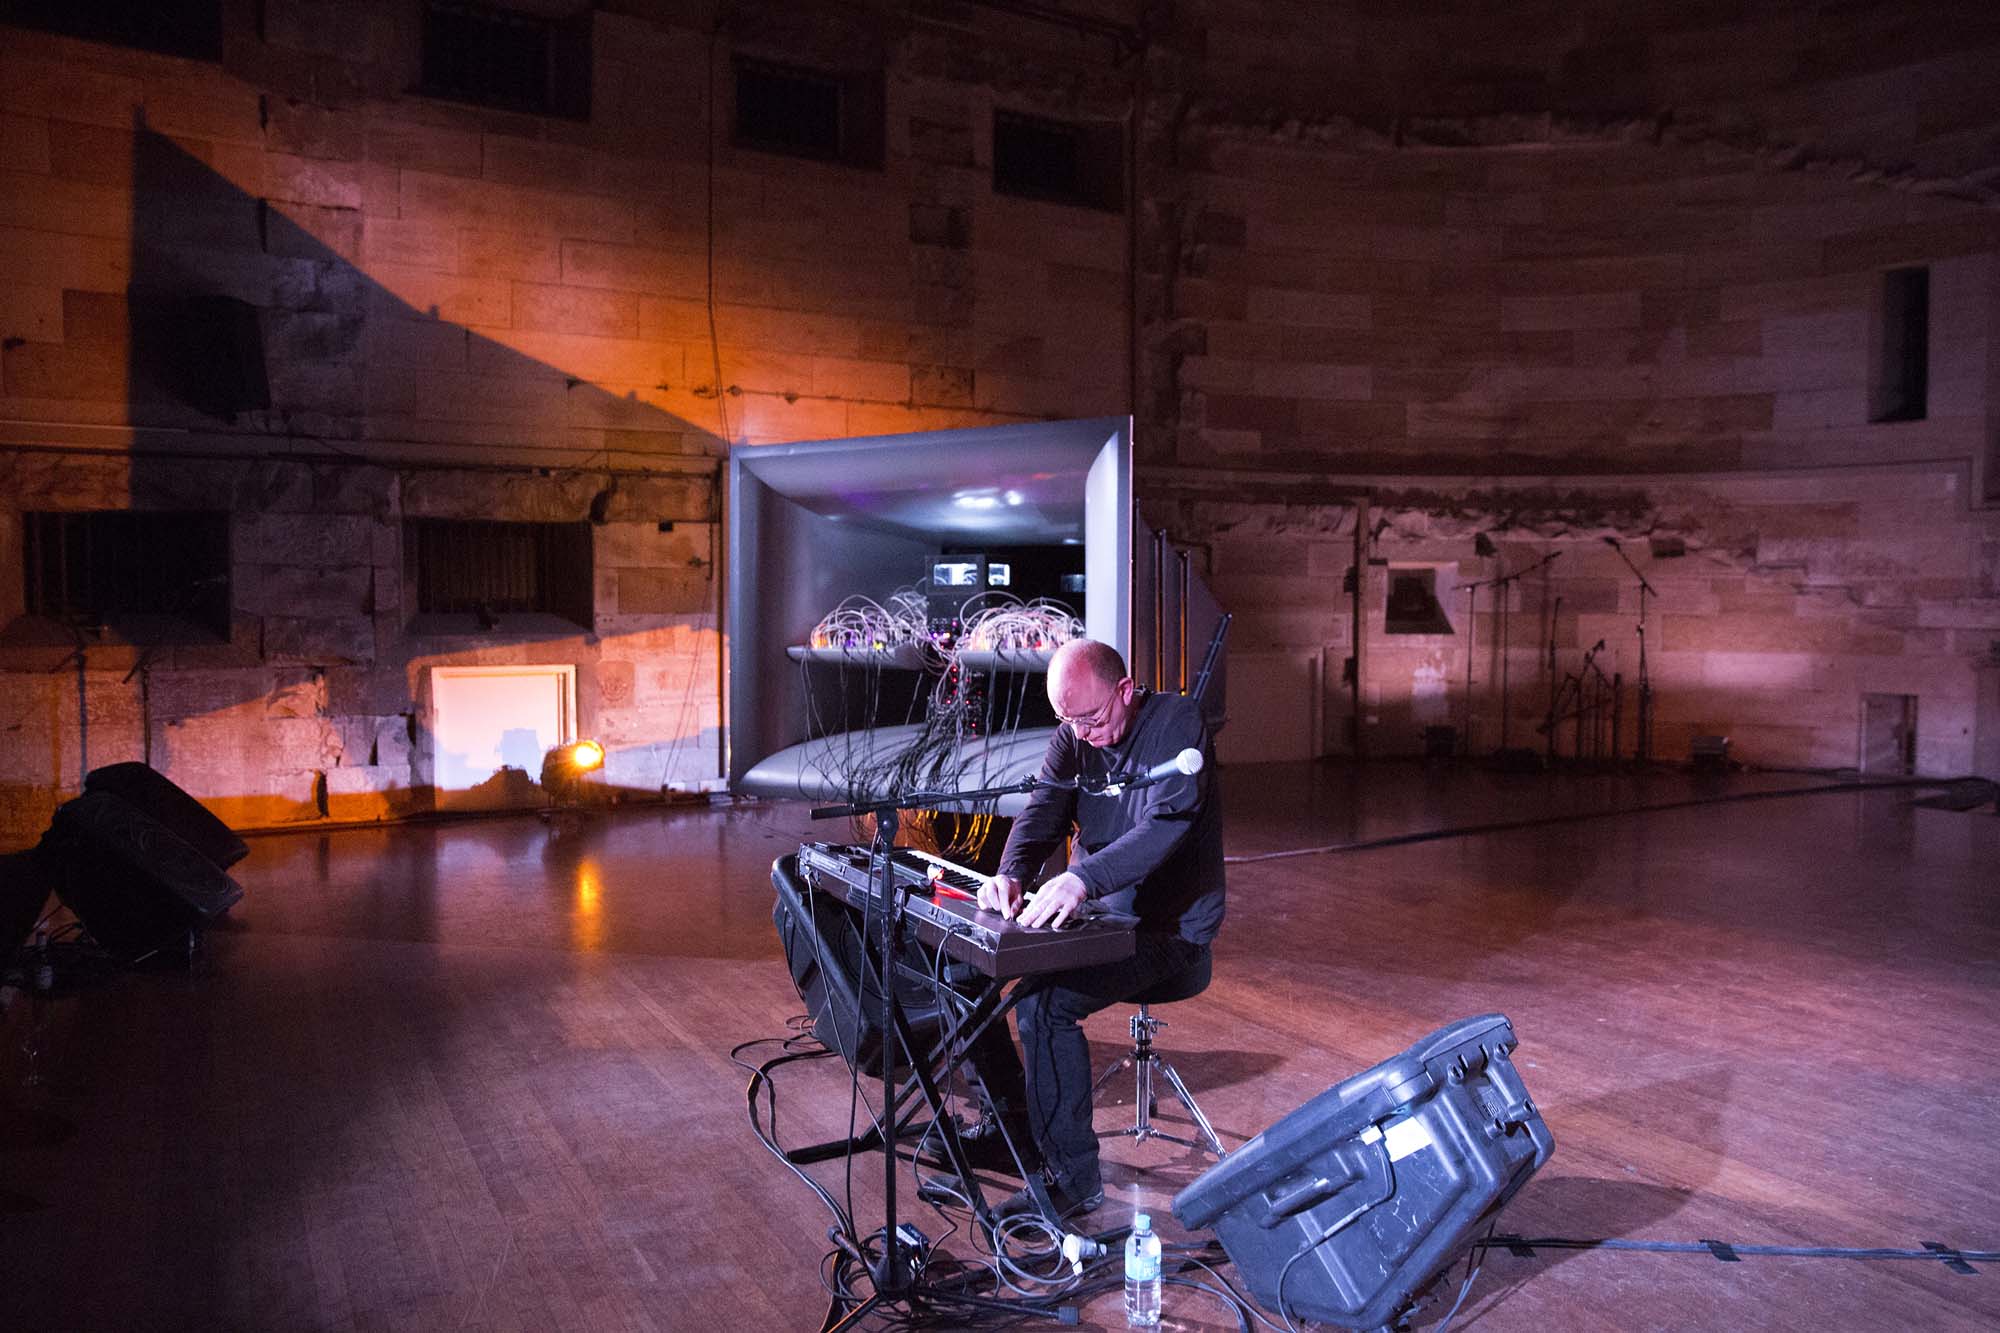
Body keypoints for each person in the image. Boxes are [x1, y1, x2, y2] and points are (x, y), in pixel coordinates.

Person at [964, 638, 1225, 1222]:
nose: (1082, 734)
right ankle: (1008, 1125)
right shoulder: (1074, 736)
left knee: (1044, 1006)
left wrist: (1081, 880)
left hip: (1166, 930)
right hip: (1096, 917)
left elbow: (1167, 824)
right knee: (968, 965)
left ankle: (1073, 1180)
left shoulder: (1177, 724)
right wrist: (1011, 873)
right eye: (1069, 722)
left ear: (1125, 691)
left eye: (1091, 718)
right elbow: (1043, 811)